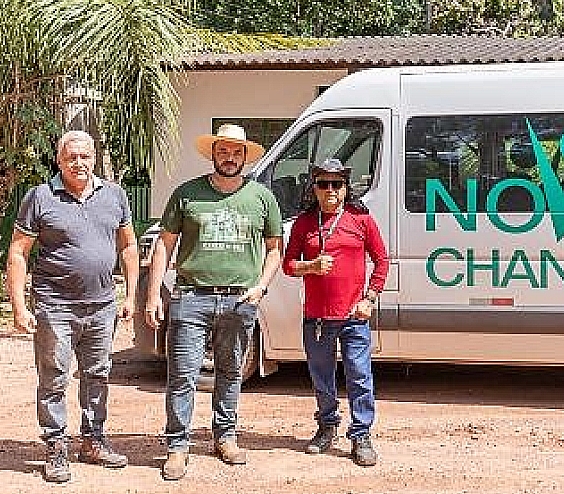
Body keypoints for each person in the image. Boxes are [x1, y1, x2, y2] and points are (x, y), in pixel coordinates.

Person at [144, 123, 282, 481]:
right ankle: (177, 447)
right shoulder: (187, 194)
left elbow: (274, 250)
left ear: (245, 157)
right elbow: (164, 244)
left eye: (236, 152)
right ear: (213, 154)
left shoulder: (262, 197)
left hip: (239, 301)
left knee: (231, 372)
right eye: (223, 151)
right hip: (191, 298)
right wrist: (153, 294)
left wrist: (261, 287)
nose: (230, 158)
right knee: (182, 375)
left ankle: (225, 437)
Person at [6, 130, 138, 483]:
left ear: (94, 157)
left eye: (85, 156)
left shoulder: (115, 195)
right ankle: (56, 447)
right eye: (71, 157)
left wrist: (131, 295)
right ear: (59, 161)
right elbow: (18, 252)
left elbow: (128, 246)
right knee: (54, 376)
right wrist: (19, 306)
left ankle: (93, 441)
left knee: (98, 373)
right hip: (56, 305)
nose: (79, 163)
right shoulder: (40, 197)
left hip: (103, 305)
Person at [281, 158, 389, 467]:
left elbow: (382, 260)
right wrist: (311, 266)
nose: (330, 189)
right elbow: (289, 265)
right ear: (314, 188)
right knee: (322, 379)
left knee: (359, 376)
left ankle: (361, 435)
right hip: (317, 318)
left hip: (354, 317)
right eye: (323, 184)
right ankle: (327, 427)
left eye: (337, 184)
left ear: (345, 188)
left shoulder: (361, 219)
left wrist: (370, 298)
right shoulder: (304, 223)